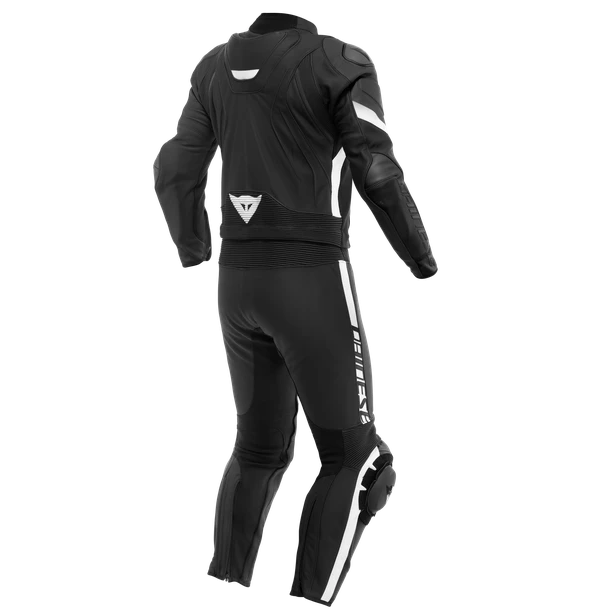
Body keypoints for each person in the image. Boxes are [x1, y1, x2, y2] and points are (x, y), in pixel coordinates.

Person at [154, 7, 437, 607]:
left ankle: (224, 585)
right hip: (309, 276)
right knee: (357, 461)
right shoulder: (338, 60)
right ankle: (312, 599)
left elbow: (176, 166)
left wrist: (194, 250)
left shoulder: (214, 67)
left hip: (237, 282)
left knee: (258, 449)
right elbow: (377, 170)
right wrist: (421, 260)